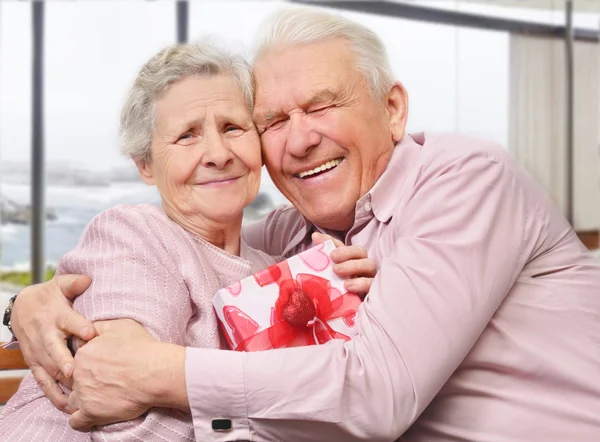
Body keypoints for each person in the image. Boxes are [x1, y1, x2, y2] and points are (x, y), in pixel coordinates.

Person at [7, 7, 600, 442]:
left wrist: (159, 373)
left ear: (392, 109)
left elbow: (377, 392)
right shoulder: (296, 236)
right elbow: (194, 242)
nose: (300, 138)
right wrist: (23, 308)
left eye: (320, 107)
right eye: (272, 121)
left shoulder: (464, 179)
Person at [0, 38, 375, 441]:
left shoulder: (276, 270)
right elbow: (124, 425)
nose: (218, 153)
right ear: (145, 164)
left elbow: (337, 405)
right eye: (187, 136)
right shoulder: (130, 233)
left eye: (233, 128)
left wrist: (349, 307)